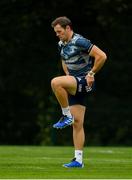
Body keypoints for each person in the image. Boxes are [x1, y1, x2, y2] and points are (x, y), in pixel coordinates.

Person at [51, 16, 107, 168]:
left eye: (59, 31)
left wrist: (91, 74)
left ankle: (65, 115)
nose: (57, 34)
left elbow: (102, 56)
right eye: (56, 32)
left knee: (55, 82)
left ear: (68, 28)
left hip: (84, 80)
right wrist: (68, 76)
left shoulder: (80, 41)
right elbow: (64, 60)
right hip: (74, 82)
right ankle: (78, 160)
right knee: (78, 124)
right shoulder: (61, 44)